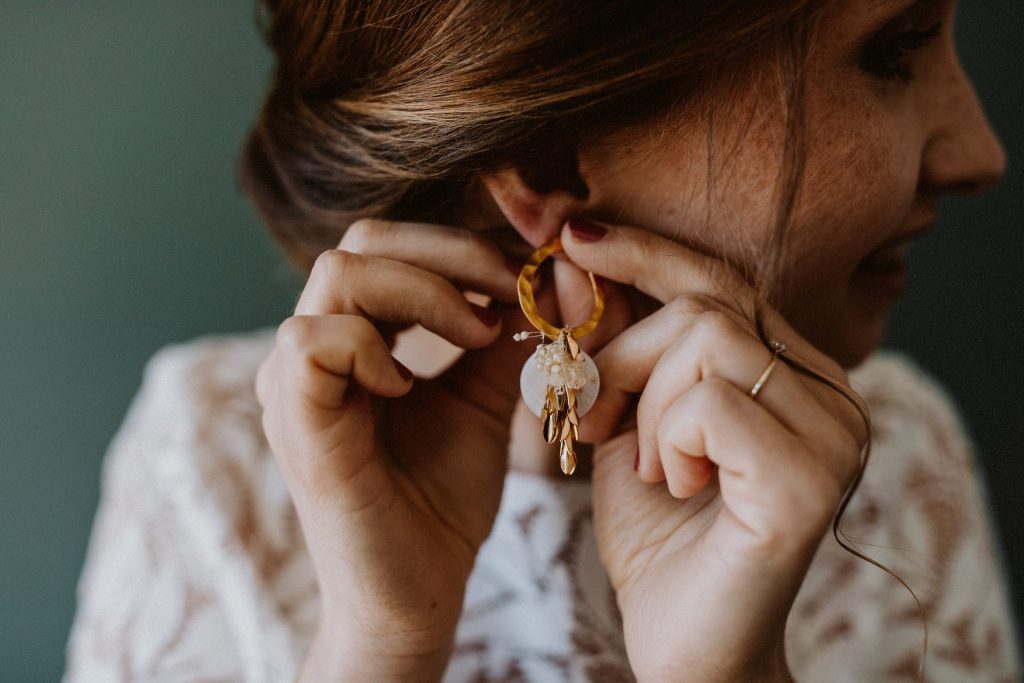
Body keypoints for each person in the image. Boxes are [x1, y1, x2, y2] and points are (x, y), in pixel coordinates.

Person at [64, 0, 1020, 681]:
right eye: (895, 50)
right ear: (551, 167)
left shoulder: (900, 451)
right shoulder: (205, 458)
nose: (982, 152)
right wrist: (381, 642)